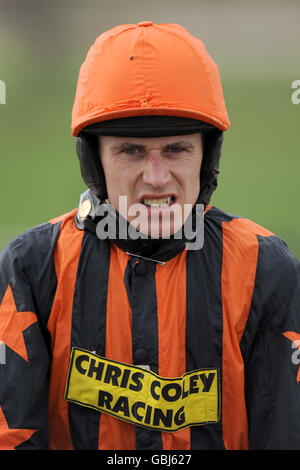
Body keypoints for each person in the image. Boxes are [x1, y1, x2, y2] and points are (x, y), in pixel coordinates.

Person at [0, 21, 299, 451]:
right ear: (95, 161)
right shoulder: (31, 269)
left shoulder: (267, 271)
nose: (156, 178)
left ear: (206, 157)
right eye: (131, 150)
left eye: (176, 149)